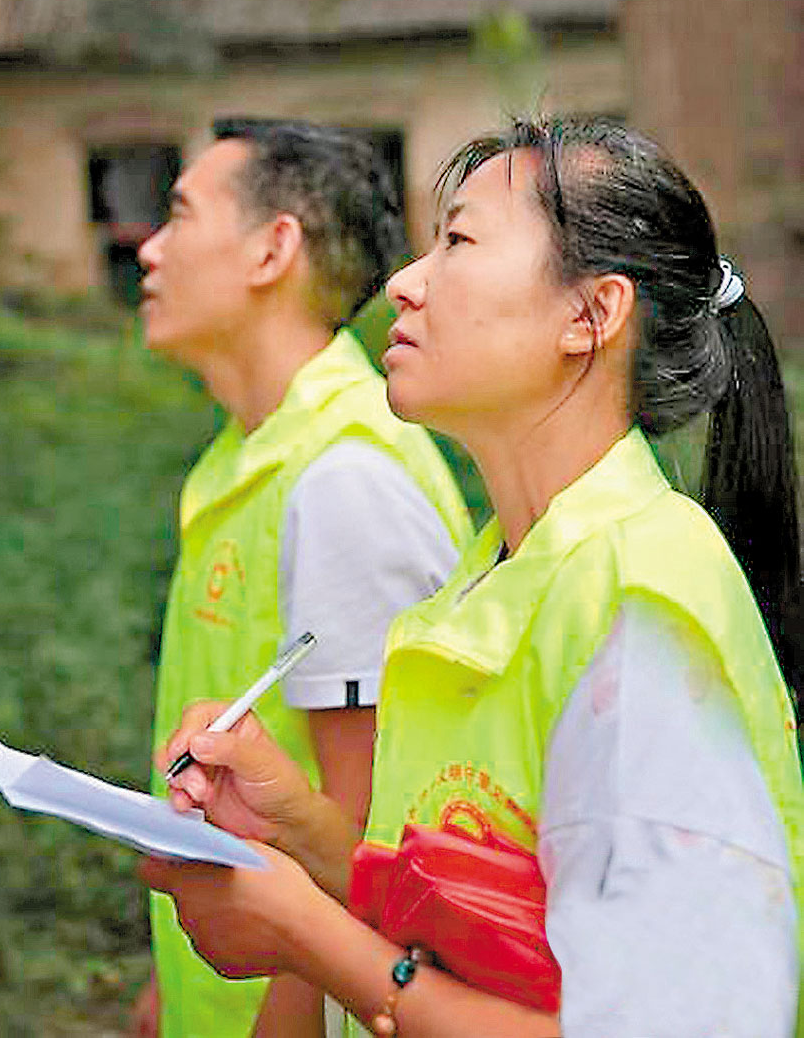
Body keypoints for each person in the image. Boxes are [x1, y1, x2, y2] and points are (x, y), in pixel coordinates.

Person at [141, 115, 804, 1036]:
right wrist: (293, 829)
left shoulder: (643, 604)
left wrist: (302, 933)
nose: (405, 284)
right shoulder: (496, 571)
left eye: (456, 241)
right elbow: (476, 930)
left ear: (590, 315)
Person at [134, 119, 473, 1037]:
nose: (149, 250)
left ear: (271, 249)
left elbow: (364, 835)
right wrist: (171, 985)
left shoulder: (342, 480)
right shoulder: (244, 458)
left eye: (177, 215)